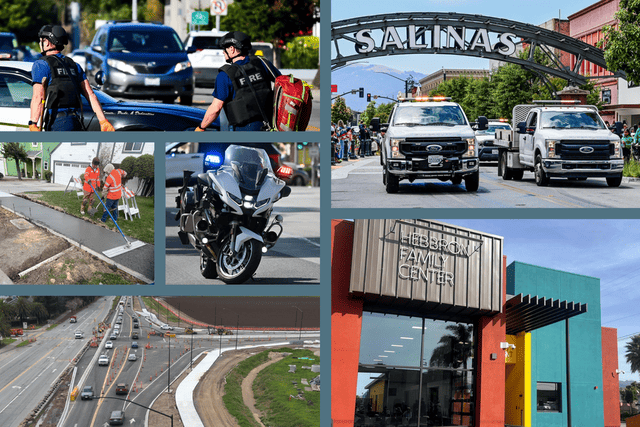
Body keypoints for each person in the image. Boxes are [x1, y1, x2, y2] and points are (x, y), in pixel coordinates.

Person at [29, 25, 114, 132]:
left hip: (57, 122)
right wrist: (103, 121)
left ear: (46, 42)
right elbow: (91, 95)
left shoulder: (41, 64)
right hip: (76, 121)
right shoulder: (74, 65)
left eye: (41, 40)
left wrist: (33, 123)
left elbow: (38, 96)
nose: (40, 43)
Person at [196, 31, 281, 131]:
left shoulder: (225, 75)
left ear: (232, 49)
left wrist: (201, 127)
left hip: (243, 132)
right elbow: (283, 83)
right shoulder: (262, 63)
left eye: (225, 48)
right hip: (270, 127)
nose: (223, 52)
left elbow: (216, 108)